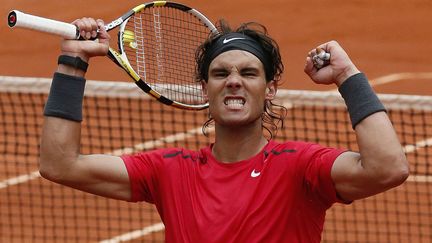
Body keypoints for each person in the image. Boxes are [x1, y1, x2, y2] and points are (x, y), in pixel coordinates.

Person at [39, 17, 409, 243]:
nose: (233, 81)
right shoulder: (171, 170)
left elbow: (387, 168)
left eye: (248, 73)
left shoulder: (300, 166)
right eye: (220, 73)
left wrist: (348, 76)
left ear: (270, 89)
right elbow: (60, 164)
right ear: (204, 89)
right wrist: (73, 62)